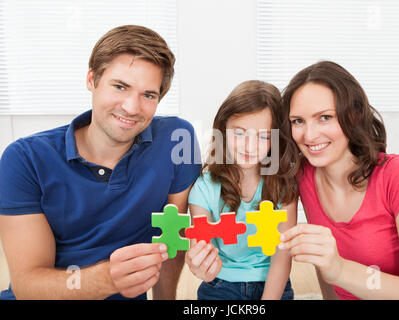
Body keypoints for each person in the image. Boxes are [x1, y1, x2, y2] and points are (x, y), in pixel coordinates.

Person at [0, 25, 201, 300]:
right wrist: (105, 280)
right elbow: (28, 285)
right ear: (91, 79)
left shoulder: (177, 139)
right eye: (120, 86)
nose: (131, 107)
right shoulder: (24, 159)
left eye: (148, 95)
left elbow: (171, 239)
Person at [278, 60, 399, 299]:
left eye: (325, 117)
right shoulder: (304, 175)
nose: (309, 135)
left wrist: (340, 270)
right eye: (298, 121)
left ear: (354, 115)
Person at [185, 80, 300, 300]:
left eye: (264, 136)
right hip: (220, 284)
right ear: (223, 131)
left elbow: (282, 257)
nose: (249, 146)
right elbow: (201, 248)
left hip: (273, 284)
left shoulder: (284, 185)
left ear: (276, 140)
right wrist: (202, 265)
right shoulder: (204, 187)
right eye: (239, 133)